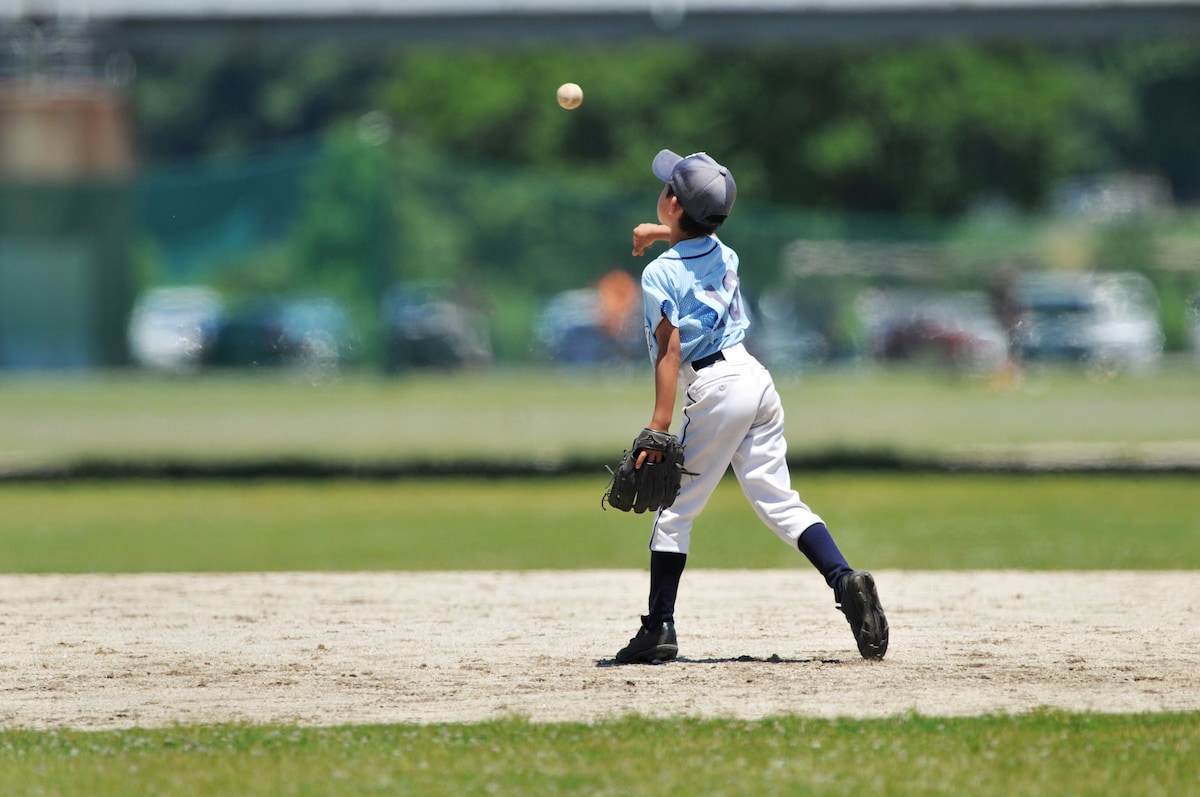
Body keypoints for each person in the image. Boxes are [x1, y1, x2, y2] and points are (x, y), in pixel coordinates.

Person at [615, 149, 889, 665]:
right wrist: (658, 232)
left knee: (672, 511)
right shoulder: (726, 253)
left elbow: (670, 351)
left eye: (666, 187)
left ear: (672, 203)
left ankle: (658, 629)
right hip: (755, 380)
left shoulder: (658, 276)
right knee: (781, 502)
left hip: (715, 388)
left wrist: (658, 426)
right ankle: (845, 579)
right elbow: (696, 245)